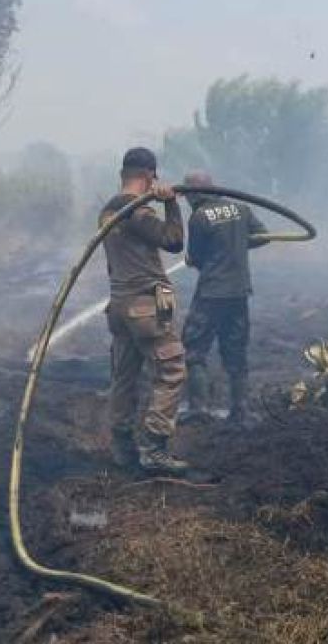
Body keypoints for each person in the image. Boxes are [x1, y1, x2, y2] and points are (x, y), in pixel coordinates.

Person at [99, 147, 190, 475]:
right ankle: (155, 446)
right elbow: (174, 241)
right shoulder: (137, 212)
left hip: (120, 306)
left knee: (124, 377)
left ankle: (122, 447)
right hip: (146, 307)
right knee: (172, 371)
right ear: (150, 175)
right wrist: (169, 203)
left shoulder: (108, 211)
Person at [180, 170, 269, 426]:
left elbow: (195, 258)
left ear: (193, 195)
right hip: (239, 292)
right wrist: (238, 244)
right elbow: (262, 236)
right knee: (236, 349)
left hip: (211, 293)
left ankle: (199, 409)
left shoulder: (199, 217)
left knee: (195, 349)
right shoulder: (240, 208)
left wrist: (200, 258)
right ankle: (240, 410)